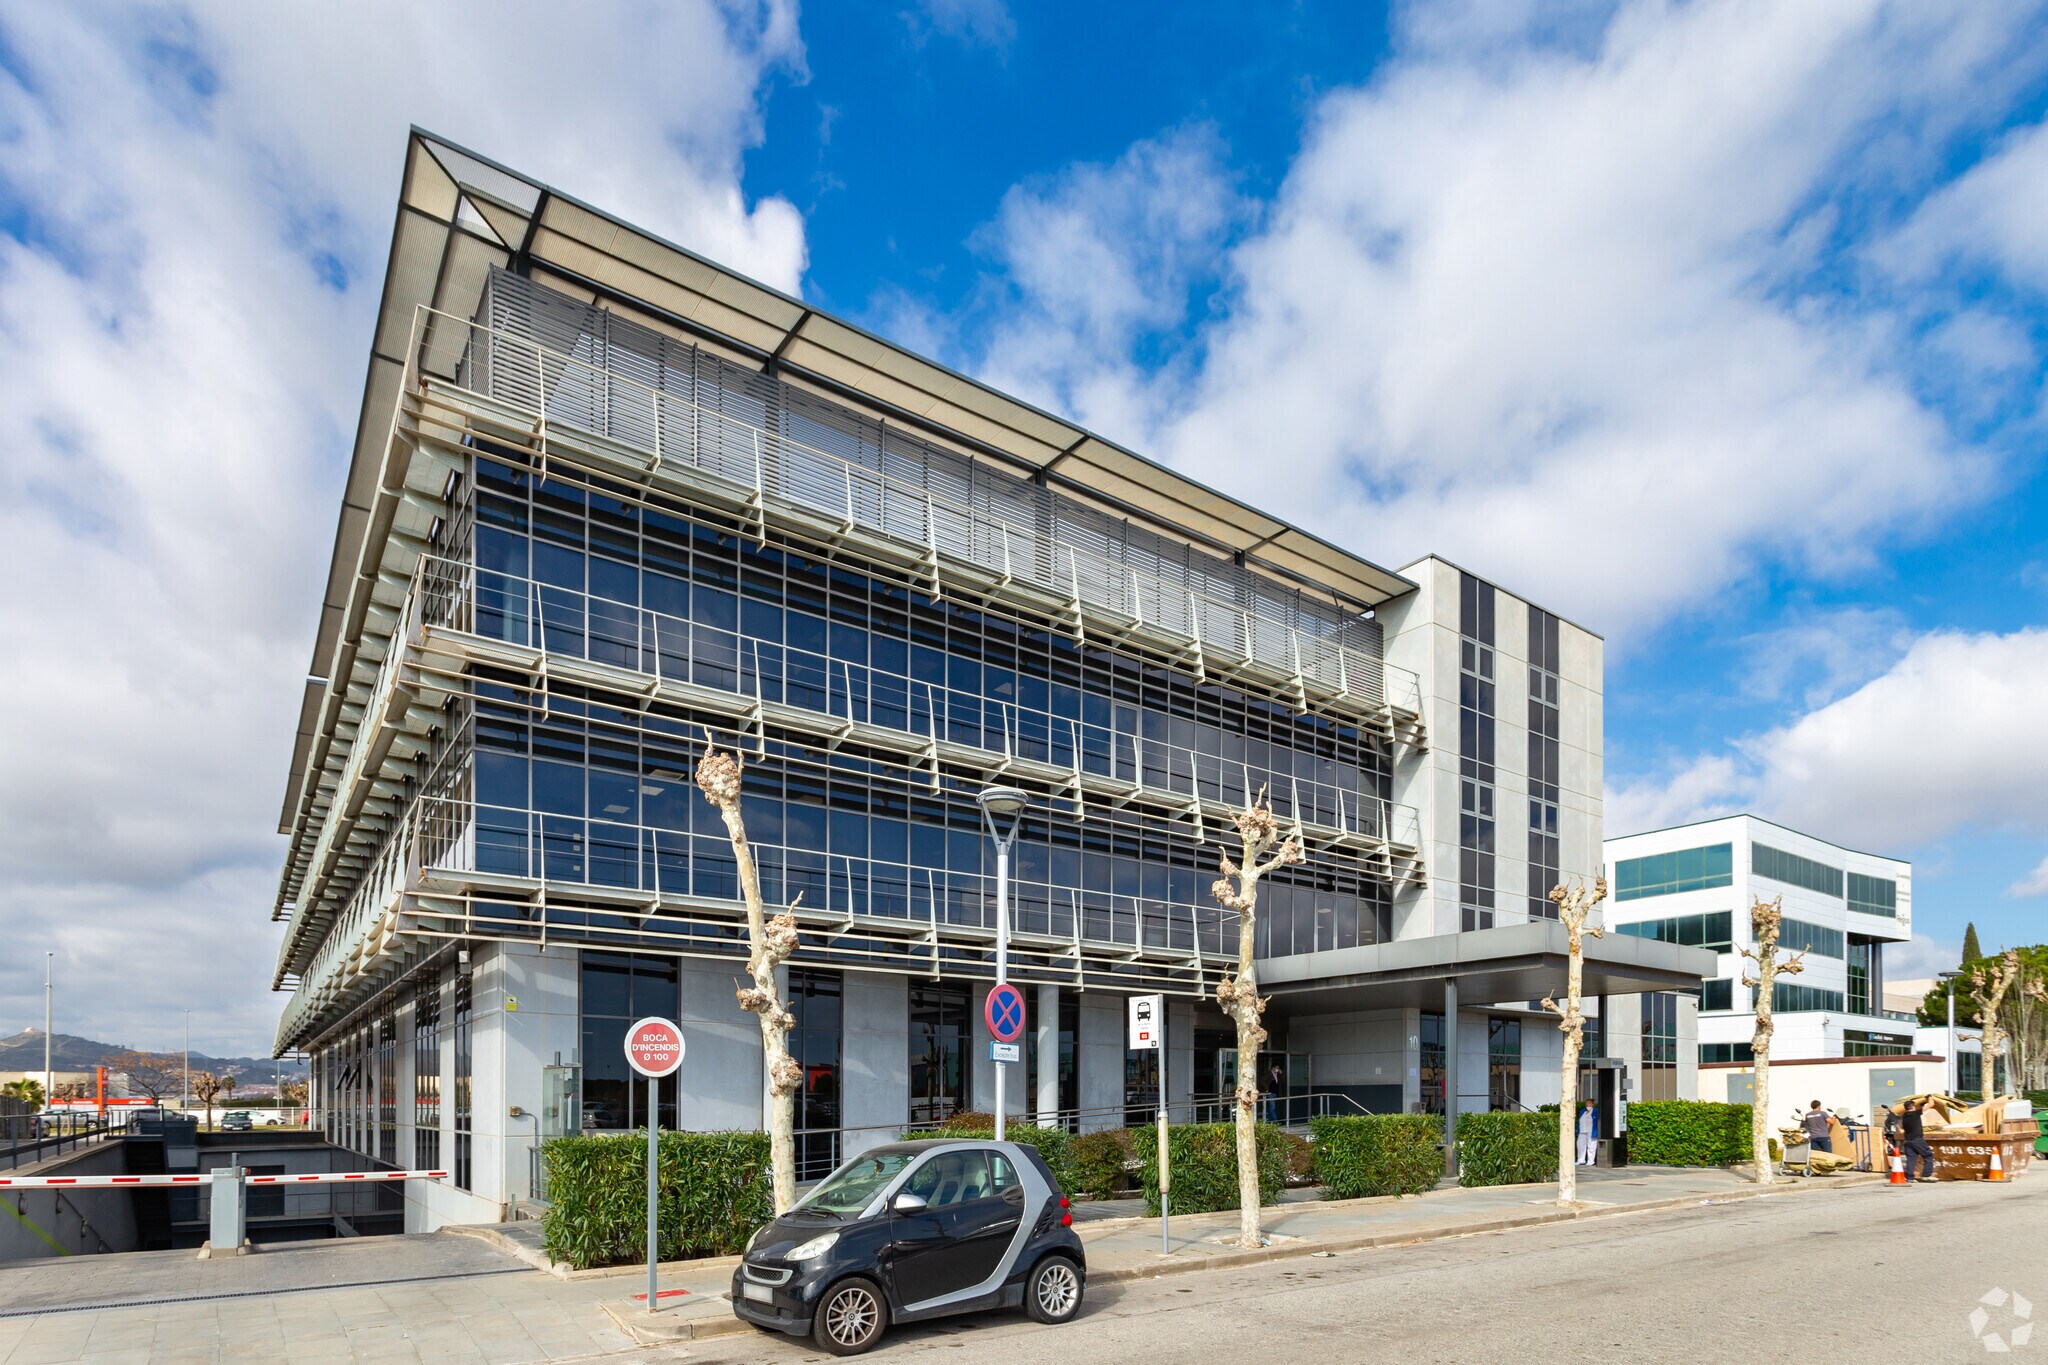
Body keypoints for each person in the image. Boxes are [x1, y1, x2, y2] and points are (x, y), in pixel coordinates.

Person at [1900, 1099, 1937, 1183]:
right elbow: (1931, 1104)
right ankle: (1926, 1175)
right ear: (1913, 1107)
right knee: (1928, 1155)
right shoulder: (1915, 1113)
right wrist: (1929, 1096)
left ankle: (1909, 1178)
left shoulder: (1904, 1116)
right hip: (1917, 1140)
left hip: (1907, 1141)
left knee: (1911, 1159)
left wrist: (1922, 1104)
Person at [1576, 1099, 1599, 1166]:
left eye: (1589, 1103)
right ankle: (1581, 1160)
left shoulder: (1596, 1111)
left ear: (1592, 1104)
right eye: (1587, 1103)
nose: (1588, 1104)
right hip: (1582, 1131)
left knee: (1591, 1146)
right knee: (1580, 1145)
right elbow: (1579, 1121)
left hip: (1591, 1131)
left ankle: (1590, 1161)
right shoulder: (1582, 1111)